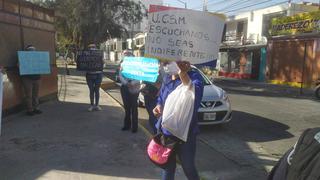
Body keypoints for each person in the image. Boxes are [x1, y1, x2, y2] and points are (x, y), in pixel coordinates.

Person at [153, 61, 204, 180]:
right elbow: (161, 98)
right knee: (168, 167)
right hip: (166, 133)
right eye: (164, 62)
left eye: (168, 62)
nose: (165, 65)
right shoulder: (167, 78)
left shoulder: (194, 77)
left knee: (188, 167)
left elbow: (193, 97)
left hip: (185, 135)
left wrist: (183, 74)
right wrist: (158, 106)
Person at [20, 45, 42, 116]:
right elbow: (19, 66)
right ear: (27, 51)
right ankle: (30, 110)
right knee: (28, 95)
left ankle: (36, 108)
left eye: (33, 50)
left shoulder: (38, 58)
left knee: (35, 95)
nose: (32, 51)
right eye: (30, 50)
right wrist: (19, 65)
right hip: (27, 79)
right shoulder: (22, 58)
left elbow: (42, 65)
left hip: (37, 78)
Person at [119, 63, 141, 133]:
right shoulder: (123, 64)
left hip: (134, 88)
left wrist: (132, 83)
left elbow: (140, 76)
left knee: (134, 108)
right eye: (125, 54)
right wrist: (126, 83)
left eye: (128, 54)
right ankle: (127, 125)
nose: (127, 55)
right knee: (127, 108)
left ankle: (134, 127)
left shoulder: (137, 65)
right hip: (124, 88)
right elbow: (120, 75)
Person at [86, 44, 103, 112]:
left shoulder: (100, 55)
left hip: (98, 74)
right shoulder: (86, 56)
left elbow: (103, 63)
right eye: (90, 47)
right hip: (89, 75)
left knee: (97, 90)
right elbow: (81, 63)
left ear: (96, 48)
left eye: (93, 47)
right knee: (91, 91)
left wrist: (102, 60)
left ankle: (97, 105)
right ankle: (92, 105)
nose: (92, 48)